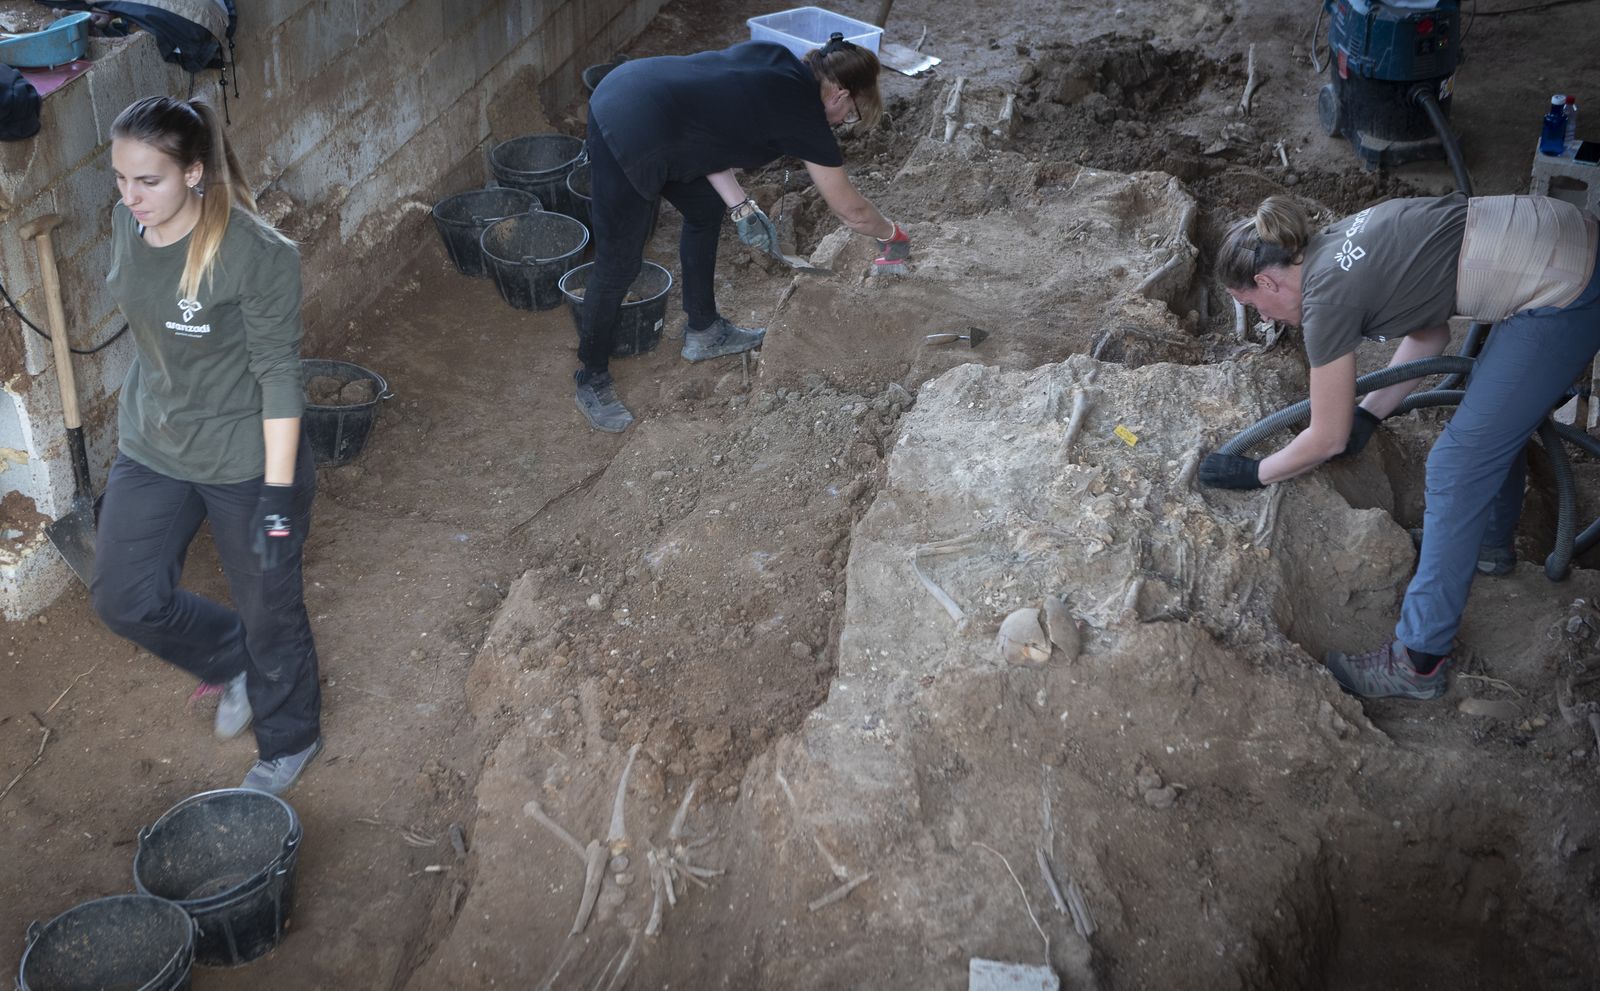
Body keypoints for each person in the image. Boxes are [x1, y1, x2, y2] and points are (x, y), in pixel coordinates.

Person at [1201, 191, 1600, 701]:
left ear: (1266, 281)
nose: (1268, 320)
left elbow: (1326, 436)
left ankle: (1418, 662)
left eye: (1256, 307)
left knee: (1456, 464)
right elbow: (1430, 334)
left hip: (1565, 290)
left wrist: (1255, 473)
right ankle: (1486, 549)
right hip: (1557, 240)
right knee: (1487, 422)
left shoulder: (1325, 299)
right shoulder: (1332, 242)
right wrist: (1370, 412)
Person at [90, 95, 322, 795]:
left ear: (194, 173)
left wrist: (279, 496)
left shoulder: (255, 255)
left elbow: (280, 376)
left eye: (148, 181)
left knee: (269, 608)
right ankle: (232, 660)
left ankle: (291, 737)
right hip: (155, 440)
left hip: (246, 457)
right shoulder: (128, 222)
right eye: (121, 179)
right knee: (122, 597)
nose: (130, 198)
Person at [574, 33, 912, 432]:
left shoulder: (779, 62)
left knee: (704, 208)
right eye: (851, 114)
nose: (844, 124)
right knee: (619, 264)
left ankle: (704, 331)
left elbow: (708, 130)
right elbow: (851, 211)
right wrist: (892, 235)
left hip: (646, 97)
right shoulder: (804, 115)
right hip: (626, 122)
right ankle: (591, 376)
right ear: (839, 94)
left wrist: (740, 206)